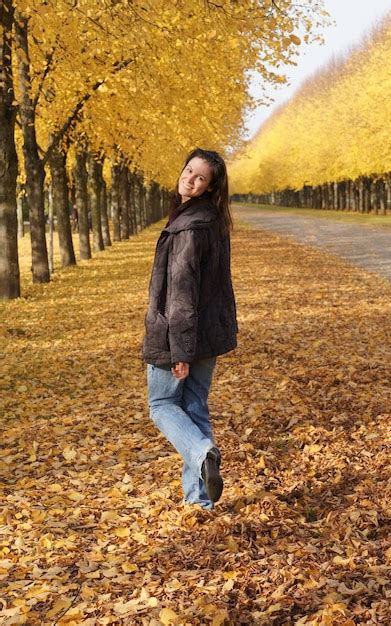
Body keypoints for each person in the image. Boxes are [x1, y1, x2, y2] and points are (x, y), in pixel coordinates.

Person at [142, 148, 238, 510]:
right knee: (195, 408)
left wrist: (180, 352)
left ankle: (201, 454)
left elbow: (182, 293)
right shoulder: (211, 220)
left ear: (209, 188)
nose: (190, 178)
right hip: (207, 333)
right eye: (188, 170)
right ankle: (199, 502)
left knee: (162, 404)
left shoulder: (188, 227)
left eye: (200, 178)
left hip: (180, 333)